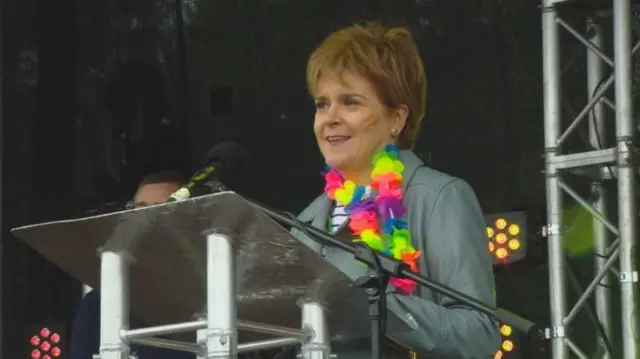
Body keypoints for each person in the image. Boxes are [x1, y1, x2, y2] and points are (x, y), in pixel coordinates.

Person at [289, 23, 501, 358]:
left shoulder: (439, 197)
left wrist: (376, 307)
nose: (330, 118)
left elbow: (479, 332)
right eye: (321, 104)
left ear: (396, 119)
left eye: (350, 102)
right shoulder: (306, 222)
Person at [70, 170, 195, 359]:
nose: (146, 219)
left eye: (159, 209)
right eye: (140, 209)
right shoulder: (100, 303)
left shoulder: (211, 292)